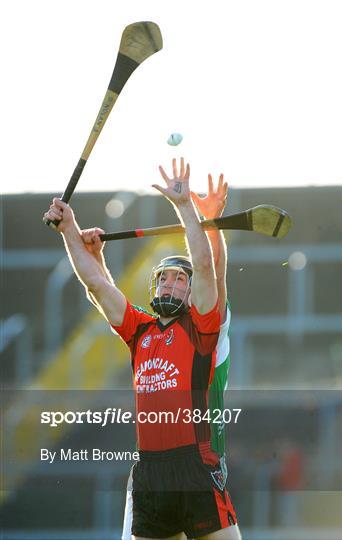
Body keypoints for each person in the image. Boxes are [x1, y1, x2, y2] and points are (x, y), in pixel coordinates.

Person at [44, 158, 241, 540]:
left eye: (179, 279)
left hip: (195, 468)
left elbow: (206, 266)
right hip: (150, 472)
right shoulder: (140, 331)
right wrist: (69, 229)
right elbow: (97, 286)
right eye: (164, 277)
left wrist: (185, 208)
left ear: (191, 290)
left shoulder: (200, 328)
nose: (170, 285)